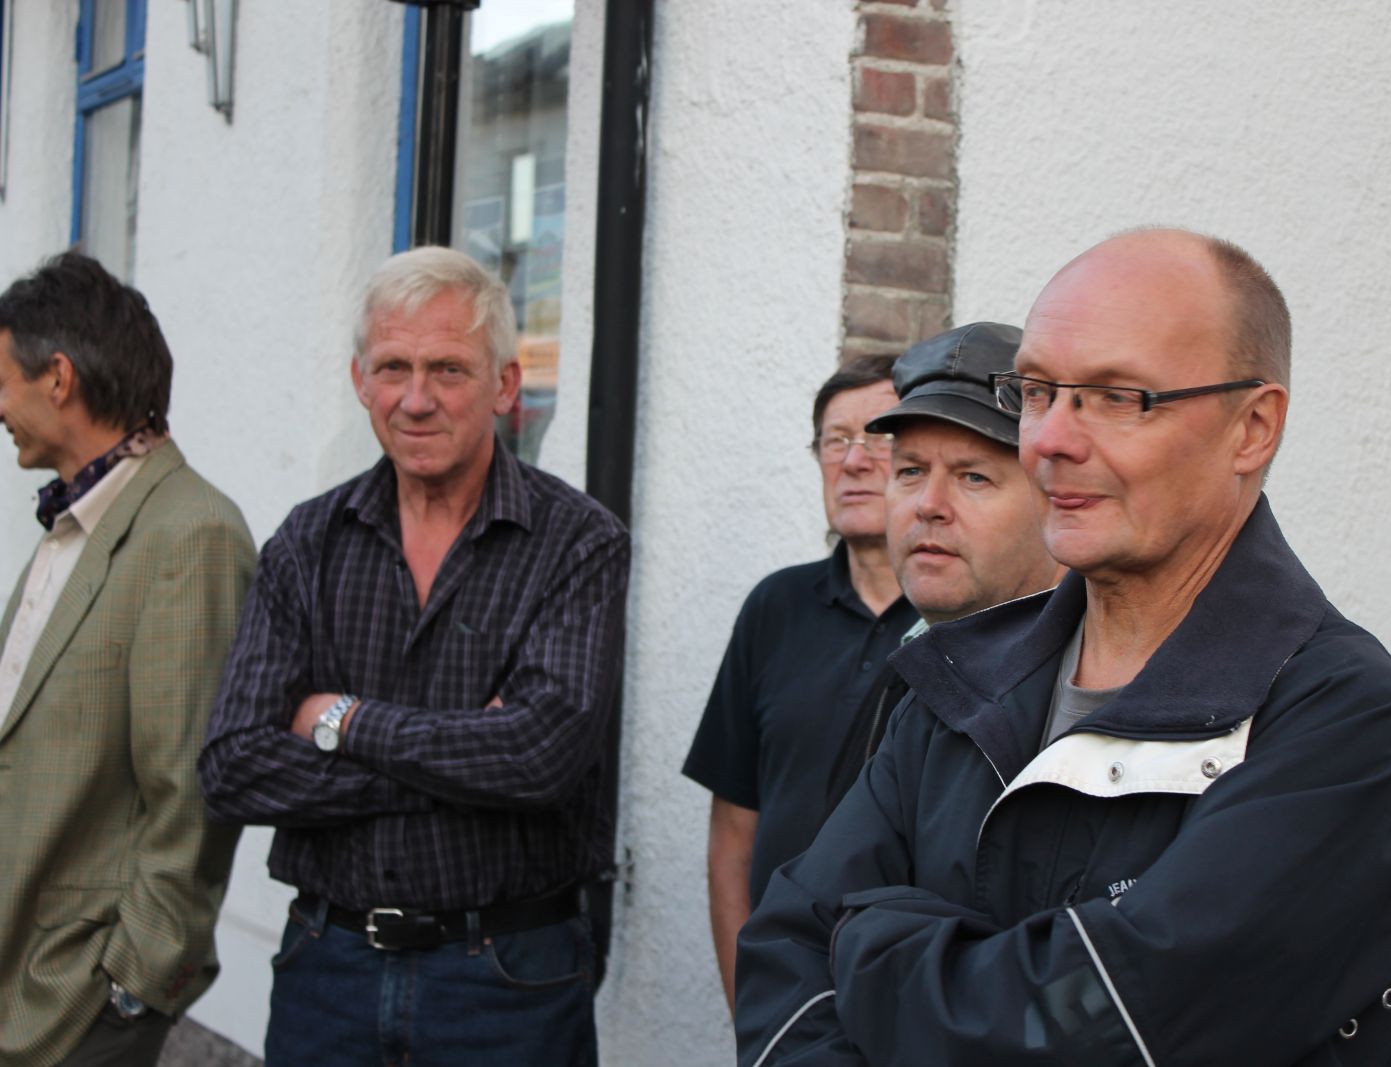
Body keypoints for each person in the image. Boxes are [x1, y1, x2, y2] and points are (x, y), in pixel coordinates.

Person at [737, 228, 1391, 1066]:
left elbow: (1097, 1030)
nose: (1049, 439)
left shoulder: (1342, 721)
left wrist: (871, 946)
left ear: (1252, 428)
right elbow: (784, 957)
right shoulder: (960, 682)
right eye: (1038, 391)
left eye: (1117, 396)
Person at [199, 247, 629, 1066]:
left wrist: (341, 720)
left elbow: (538, 760)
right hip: (328, 967)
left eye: (448, 369)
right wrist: (465, 760)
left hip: (507, 982)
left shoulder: (577, 543)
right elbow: (232, 767)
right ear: (361, 381)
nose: (416, 398)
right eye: (393, 367)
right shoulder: (307, 542)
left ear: (505, 385)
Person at [0, 252, 253, 1067]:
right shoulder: (75, 520)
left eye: (3, 380)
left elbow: (191, 792)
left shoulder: (191, 532)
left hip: (79, 1001)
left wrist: (132, 987)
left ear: (58, 378)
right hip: (22, 977)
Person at [682, 356, 920, 1012]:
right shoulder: (776, 607)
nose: (854, 460)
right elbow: (733, 834)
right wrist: (748, 1005)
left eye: (877, 436)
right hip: (785, 994)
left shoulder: (966, 617)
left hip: (908, 996)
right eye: (835, 440)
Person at [822, 321, 1065, 813]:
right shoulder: (915, 658)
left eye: (973, 477)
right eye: (911, 471)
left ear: (1055, 499)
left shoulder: (1086, 690)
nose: (928, 505)